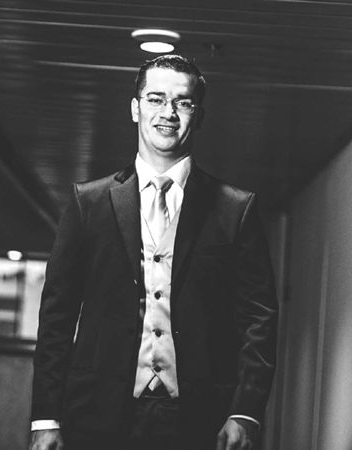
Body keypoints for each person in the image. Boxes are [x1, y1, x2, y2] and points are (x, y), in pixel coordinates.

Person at [29, 54, 278, 450]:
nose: (168, 113)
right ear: (135, 108)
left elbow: (258, 321)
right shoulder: (88, 203)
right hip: (96, 414)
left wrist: (245, 411)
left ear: (198, 115)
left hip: (201, 419)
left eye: (183, 102)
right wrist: (45, 417)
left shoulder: (235, 209)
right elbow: (56, 319)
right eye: (156, 99)